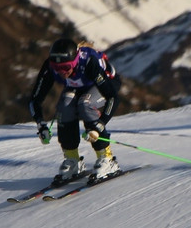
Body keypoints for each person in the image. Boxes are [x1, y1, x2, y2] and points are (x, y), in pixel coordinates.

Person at [28, 37, 122, 183]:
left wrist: (99, 125)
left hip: (106, 84)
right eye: (57, 68)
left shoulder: (88, 62)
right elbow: (35, 99)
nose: (61, 72)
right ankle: (72, 160)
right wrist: (41, 125)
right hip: (79, 85)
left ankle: (107, 158)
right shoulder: (50, 67)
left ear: (76, 60)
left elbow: (113, 97)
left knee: (85, 104)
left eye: (66, 67)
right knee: (64, 107)